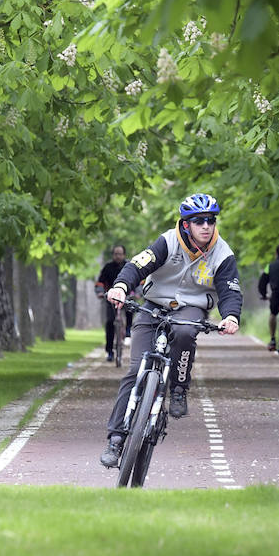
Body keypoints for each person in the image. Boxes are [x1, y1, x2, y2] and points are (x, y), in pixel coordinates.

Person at [98, 194, 242, 468]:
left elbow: (230, 290)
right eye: (199, 221)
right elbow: (138, 265)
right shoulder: (168, 241)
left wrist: (231, 317)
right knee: (135, 370)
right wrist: (120, 286)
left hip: (191, 307)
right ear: (186, 224)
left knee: (184, 332)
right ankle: (116, 440)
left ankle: (178, 388)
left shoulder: (223, 254)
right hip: (153, 305)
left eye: (210, 220)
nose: (206, 226)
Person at [96, 244, 133, 363]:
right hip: (111, 299)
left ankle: (128, 330)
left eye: (120, 254)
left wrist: (137, 293)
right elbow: (100, 282)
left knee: (130, 310)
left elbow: (138, 281)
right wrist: (101, 292)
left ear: (124, 255)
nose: (118, 256)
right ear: (113, 255)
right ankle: (110, 351)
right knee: (110, 323)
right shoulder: (108, 267)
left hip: (126, 297)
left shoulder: (129, 266)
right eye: (116, 254)